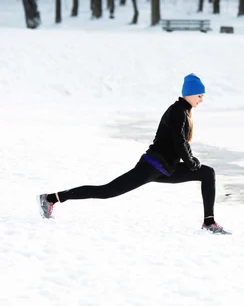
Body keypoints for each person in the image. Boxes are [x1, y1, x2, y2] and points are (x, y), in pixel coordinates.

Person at [37, 73, 229, 235]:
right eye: (199, 95)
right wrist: (190, 161)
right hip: (152, 166)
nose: (202, 99)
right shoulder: (177, 111)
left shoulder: (184, 111)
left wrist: (191, 160)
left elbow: (182, 143)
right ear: (189, 94)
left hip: (167, 168)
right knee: (106, 191)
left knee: (207, 173)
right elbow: (178, 142)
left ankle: (209, 222)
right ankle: (51, 198)